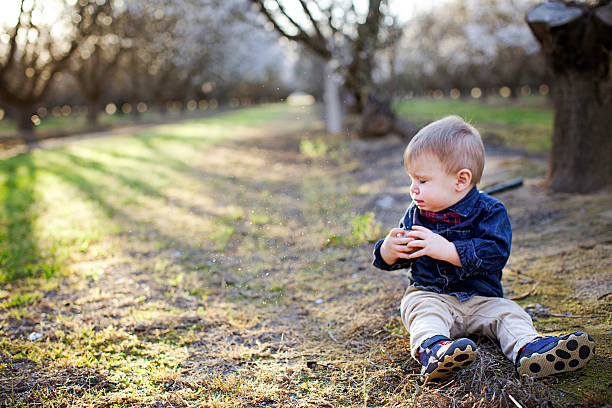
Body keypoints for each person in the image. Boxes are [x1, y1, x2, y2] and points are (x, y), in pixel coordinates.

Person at [372, 115, 595, 383]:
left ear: (461, 180)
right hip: (432, 295)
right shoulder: (415, 214)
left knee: (510, 313)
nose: (413, 189)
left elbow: (494, 254)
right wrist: (389, 250)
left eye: (422, 180)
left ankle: (530, 351)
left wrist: (446, 249)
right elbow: (397, 259)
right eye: (411, 180)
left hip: (482, 299)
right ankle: (435, 350)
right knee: (419, 309)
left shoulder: (490, 212)